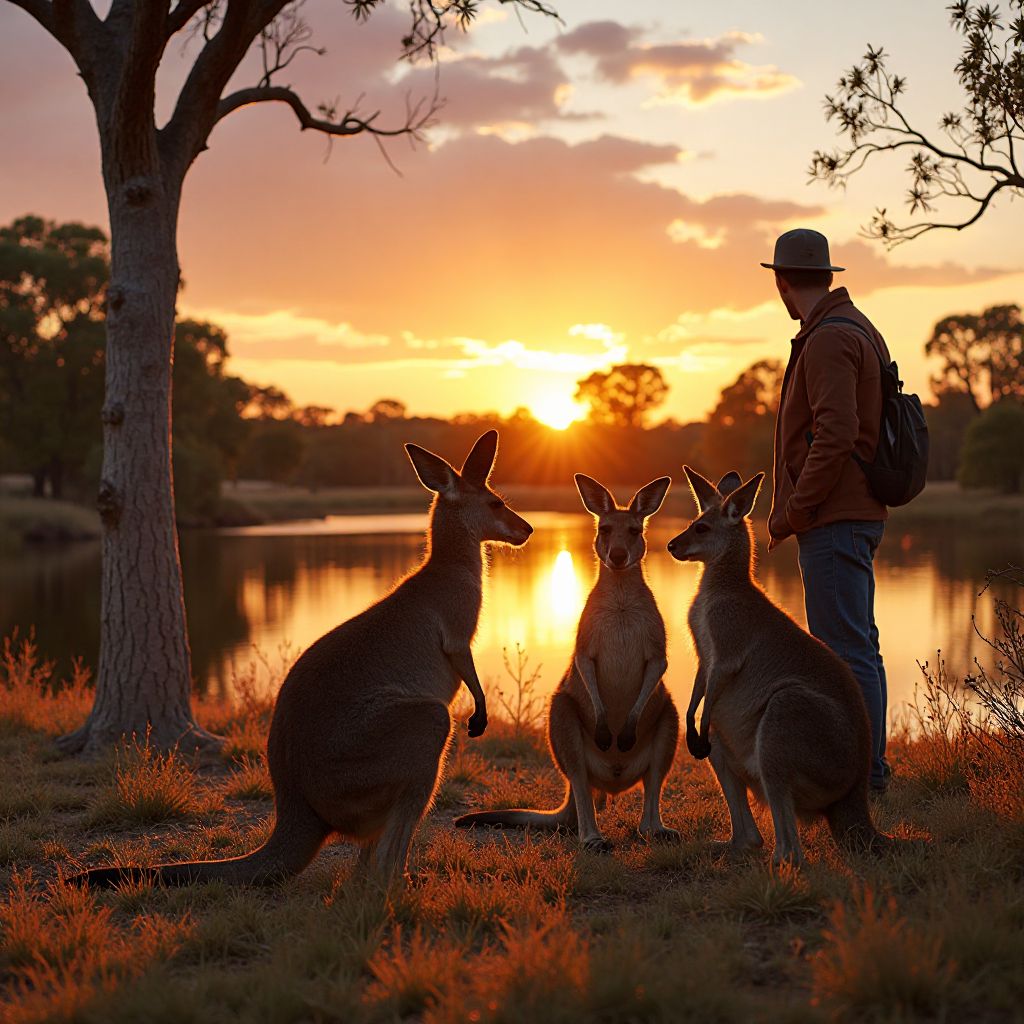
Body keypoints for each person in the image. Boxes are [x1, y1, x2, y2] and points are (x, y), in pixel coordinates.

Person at [761, 228, 892, 793]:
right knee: (858, 643)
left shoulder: (828, 339)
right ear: (828, 274)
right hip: (848, 514)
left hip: (834, 518)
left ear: (782, 281)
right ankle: (870, 769)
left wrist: (793, 511)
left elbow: (835, 436)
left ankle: (861, 776)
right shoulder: (853, 326)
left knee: (844, 650)